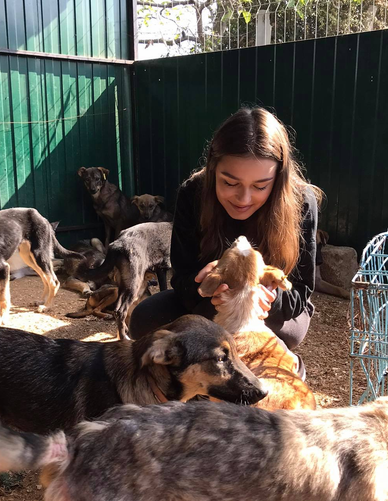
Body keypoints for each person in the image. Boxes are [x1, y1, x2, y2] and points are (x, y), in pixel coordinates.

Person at [129, 107, 321, 358]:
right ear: (212, 169)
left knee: (286, 333)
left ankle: (271, 361)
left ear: (278, 179)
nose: (244, 198)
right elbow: (181, 277)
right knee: (143, 320)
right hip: (207, 302)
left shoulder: (302, 202)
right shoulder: (192, 193)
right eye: (229, 183)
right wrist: (203, 288)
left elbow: (302, 290)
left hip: (272, 310)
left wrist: (269, 300)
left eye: (261, 186)